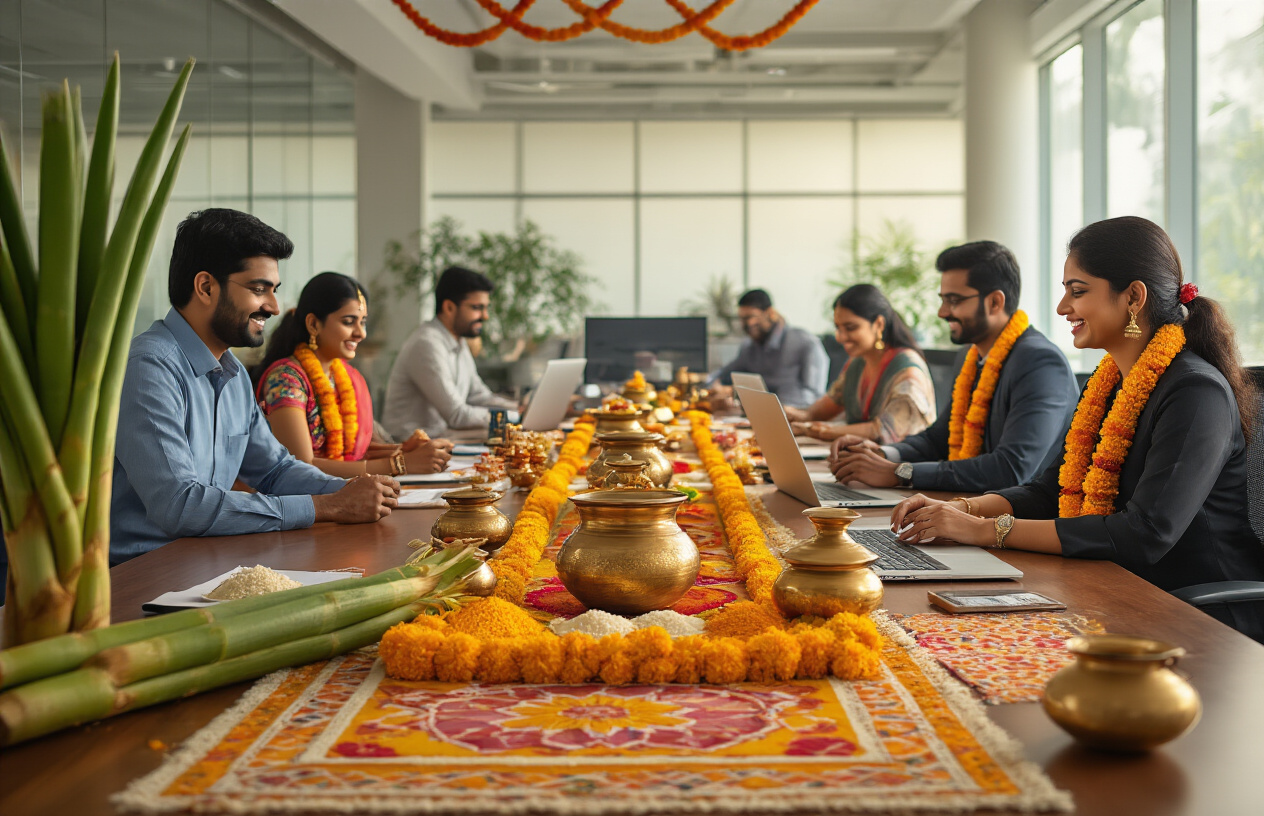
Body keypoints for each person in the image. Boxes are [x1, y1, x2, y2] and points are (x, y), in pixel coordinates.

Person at [889, 217, 1264, 634]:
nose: (1062, 308)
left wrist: (982, 530)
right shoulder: (1105, 386)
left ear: (1134, 297)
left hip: (1199, 616)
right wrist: (960, 509)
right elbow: (1048, 492)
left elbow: (1145, 534)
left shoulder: (1196, 392)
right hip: (1113, 590)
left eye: (1077, 291)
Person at [110, 209, 401, 565]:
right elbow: (179, 506)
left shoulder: (231, 374)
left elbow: (274, 470)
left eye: (274, 291)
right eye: (259, 289)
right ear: (206, 287)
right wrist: (326, 506)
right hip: (149, 574)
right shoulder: (150, 366)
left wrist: (356, 492)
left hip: (212, 559)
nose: (275, 307)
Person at [830, 241, 1078, 493]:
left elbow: (1011, 469)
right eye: (943, 300)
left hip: (1018, 523)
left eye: (954, 300)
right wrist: (881, 452)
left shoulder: (1040, 363)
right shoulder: (969, 357)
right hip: (966, 508)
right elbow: (939, 438)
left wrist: (900, 472)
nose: (942, 312)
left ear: (994, 302)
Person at [253, 272, 454, 477]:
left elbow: (354, 455)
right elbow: (302, 469)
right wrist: (400, 463)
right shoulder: (286, 380)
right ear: (313, 324)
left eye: (363, 322)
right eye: (349, 322)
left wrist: (406, 451)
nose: (361, 333)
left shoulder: (347, 378)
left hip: (349, 495)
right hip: (303, 503)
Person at [786, 284, 936, 444]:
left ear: (879, 324)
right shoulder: (857, 363)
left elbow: (885, 432)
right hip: (861, 460)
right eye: (838, 328)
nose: (840, 337)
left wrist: (817, 430)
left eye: (850, 328)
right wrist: (784, 413)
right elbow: (814, 413)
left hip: (901, 466)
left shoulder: (908, 372)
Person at [382, 266, 518, 440]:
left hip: (441, 439)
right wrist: (514, 417)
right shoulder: (427, 344)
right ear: (449, 307)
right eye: (477, 307)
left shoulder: (458, 341)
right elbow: (457, 415)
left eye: (486, 308)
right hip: (409, 450)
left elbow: (478, 396)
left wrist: (517, 408)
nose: (485, 316)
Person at [707, 289, 829, 408]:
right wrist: (715, 385)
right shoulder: (749, 347)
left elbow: (815, 394)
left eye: (750, 317)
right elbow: (723, 374)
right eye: (742, 319)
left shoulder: (805, 343)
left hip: (796, 416)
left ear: (771, 313)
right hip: (757, 415)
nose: (746, 324)